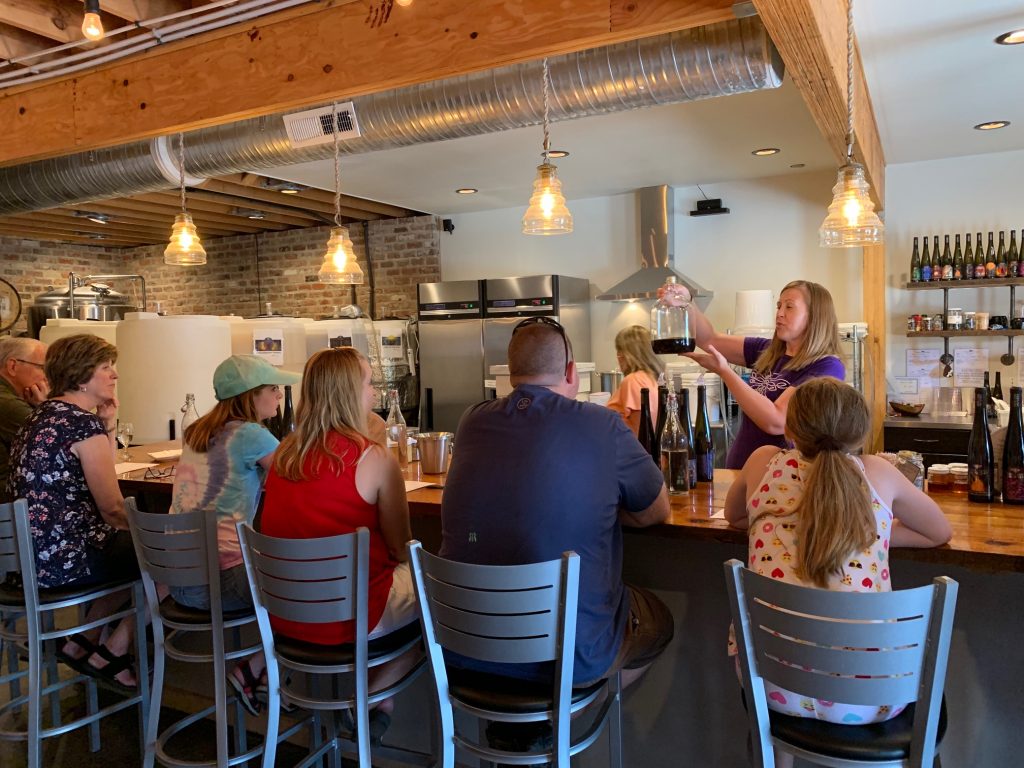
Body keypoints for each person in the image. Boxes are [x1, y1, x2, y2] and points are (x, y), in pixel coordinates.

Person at [440, 317, 674, 750]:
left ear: (509, 374)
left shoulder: (471, 421)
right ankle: (558, 712)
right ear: (572, 372)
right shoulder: (602, 426)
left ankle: (524, 724)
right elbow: (657, 510)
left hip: (464, 653)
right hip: (566, 658)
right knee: (657, 621)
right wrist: (594, 504)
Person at [724, 377, 952, 767]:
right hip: (872, 697)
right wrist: (867, 532)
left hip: (774, 687)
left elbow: (734, 516)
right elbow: (938, 531)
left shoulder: (763, 462)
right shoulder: (878, 472)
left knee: (782, 645)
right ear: (860, 432)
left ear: (791, 429)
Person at [261, 348, 420, 739]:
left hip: (285, 618)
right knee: (442, 605)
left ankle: (366, 701)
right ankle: (371, 696)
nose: (373, 392)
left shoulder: (283, 454)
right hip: (349, 621)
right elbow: (402, 549)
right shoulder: (374, 459)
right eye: (368, 383)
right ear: (350, 393)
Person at [7, 334, 143, 691]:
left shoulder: (41, 418)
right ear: (82, 375)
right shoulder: (80, 425)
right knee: (164, 559)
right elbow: (113, 509)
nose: (114, 375)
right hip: (66, 562)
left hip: (29, 562)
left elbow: (100, 471)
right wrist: (159, 535)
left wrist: (108, 422)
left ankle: (83, 640)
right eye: (105, 367)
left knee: (131, 560)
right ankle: (112, 652)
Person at [169, 354, 299, 714]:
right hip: (219, 580)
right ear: (252, 395)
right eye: (273, 389)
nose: (277, 396)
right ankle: (254, 670)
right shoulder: (252, 435)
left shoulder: (197, 432)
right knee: (311, 591)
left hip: (176, 579)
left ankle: (263, 676)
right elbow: (297, 480)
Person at [669, 280, 845, 468]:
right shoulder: (768, 350)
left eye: (789, 307)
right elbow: (710, 339)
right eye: (779, 306)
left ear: (815, 316)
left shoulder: (827, 367)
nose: (780, 313)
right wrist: (686, 301)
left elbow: (776, 422)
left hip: (779, 476)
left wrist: (725, 372)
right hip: (741, 466)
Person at [0, 337, 48, 500]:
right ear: (13, 366)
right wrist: (45, 405)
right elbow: (57, 442)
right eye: (43, 368)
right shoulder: (7, 404)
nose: (48, 378)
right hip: (9, 509)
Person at [606, 324, 664, 436]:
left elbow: (640, 432)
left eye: (619, 351)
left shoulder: (633, 380)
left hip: (628, 451)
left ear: (627, 355)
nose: (618, 357)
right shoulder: (651, 378)